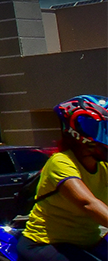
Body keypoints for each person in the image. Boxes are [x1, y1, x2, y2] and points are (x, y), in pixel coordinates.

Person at [19, 96, 108, 261]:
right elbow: (88, 203)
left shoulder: (104, 167)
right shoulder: (61, 162)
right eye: (100, 129)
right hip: (46, 243)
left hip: (89, 243)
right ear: (78, 131)